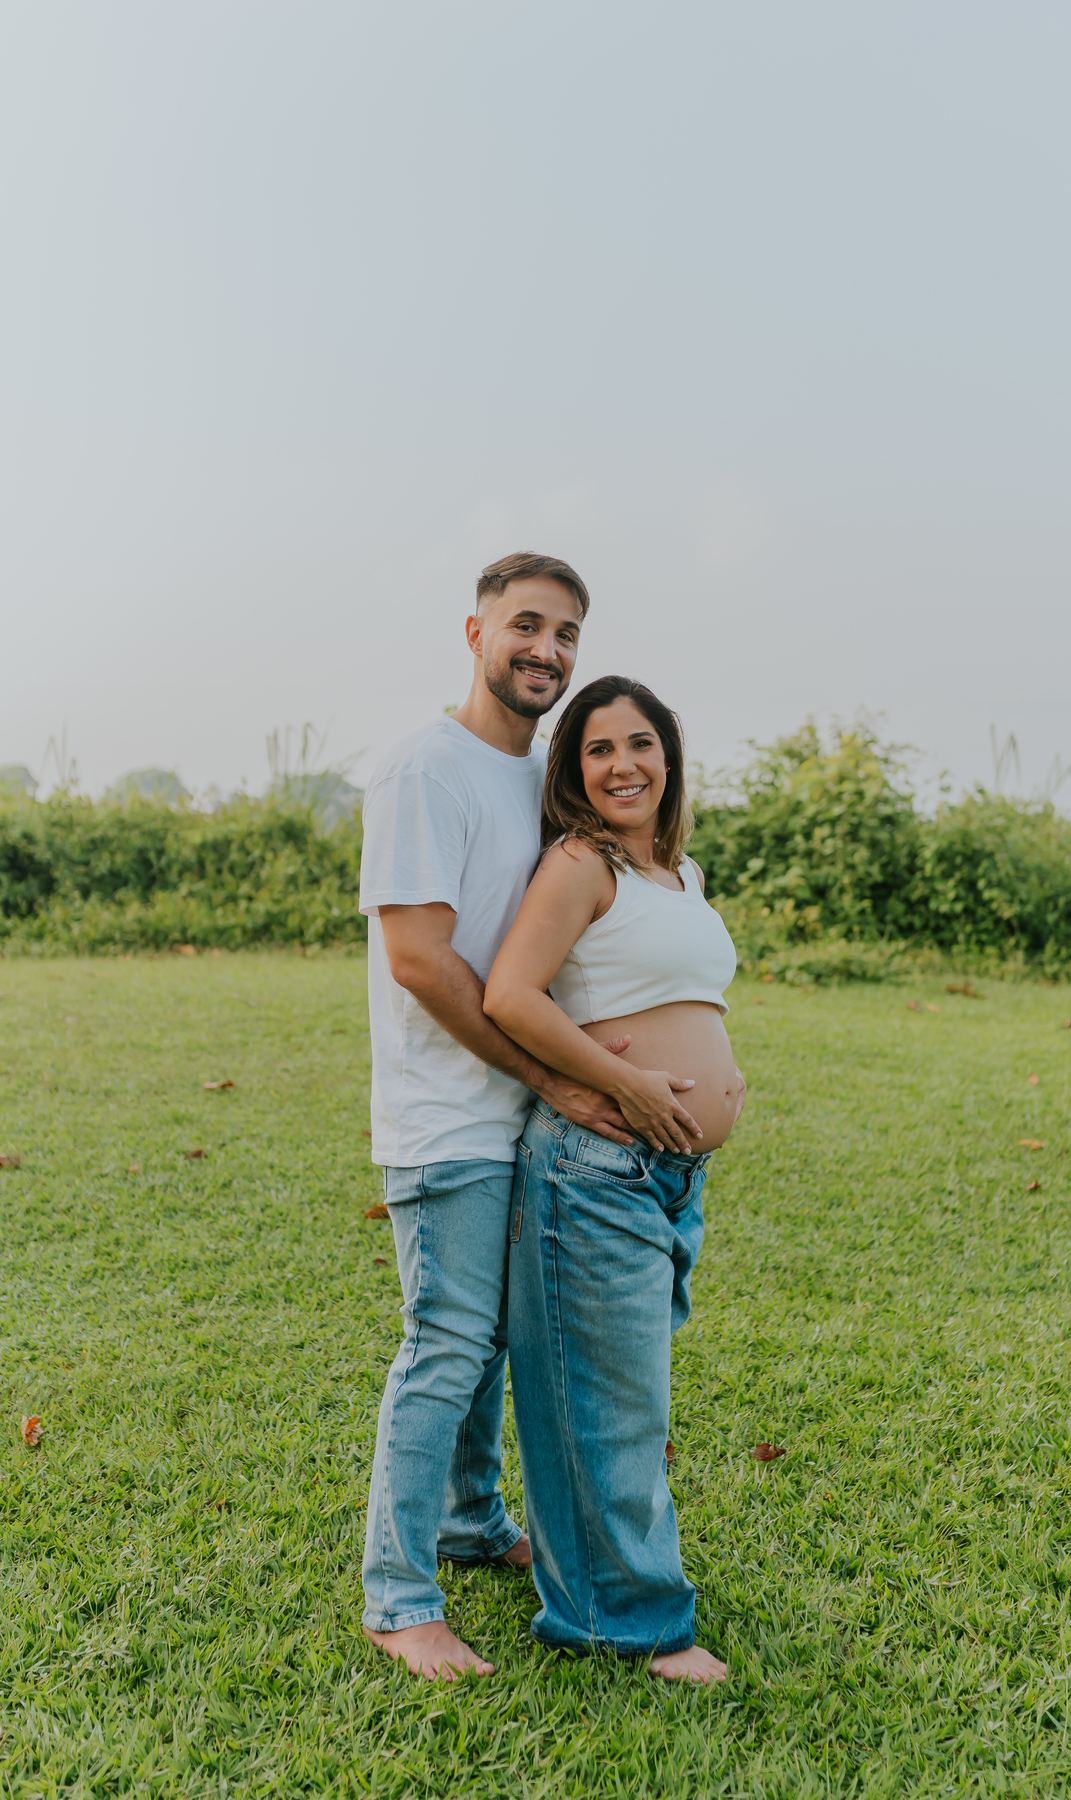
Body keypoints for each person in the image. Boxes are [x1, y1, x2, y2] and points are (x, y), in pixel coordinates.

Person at [358, 553, 640, 1683]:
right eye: (527, 625)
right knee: (444, 1347)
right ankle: (398, 1596)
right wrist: (546, 1074)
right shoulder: (425, 768)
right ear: (474, 633)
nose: (548, 652)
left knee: (484, 1351)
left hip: (515, 1117)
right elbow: (423, 962)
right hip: (446, 1119)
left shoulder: (536, 779)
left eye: (566, 634)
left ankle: (470, 1525)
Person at [483, 675, 745, 1684]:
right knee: (608, 1403)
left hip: (671, 1176)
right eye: (599, 750)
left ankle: (602, 1585)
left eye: (641, 743)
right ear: (573, 771)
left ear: (668, 757)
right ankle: (628, 1623)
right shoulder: (579, 863)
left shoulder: (678, 874)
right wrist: (628, 1082)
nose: (624, 765)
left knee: (622, 1394)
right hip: (596, 1166)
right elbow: (510, 993)